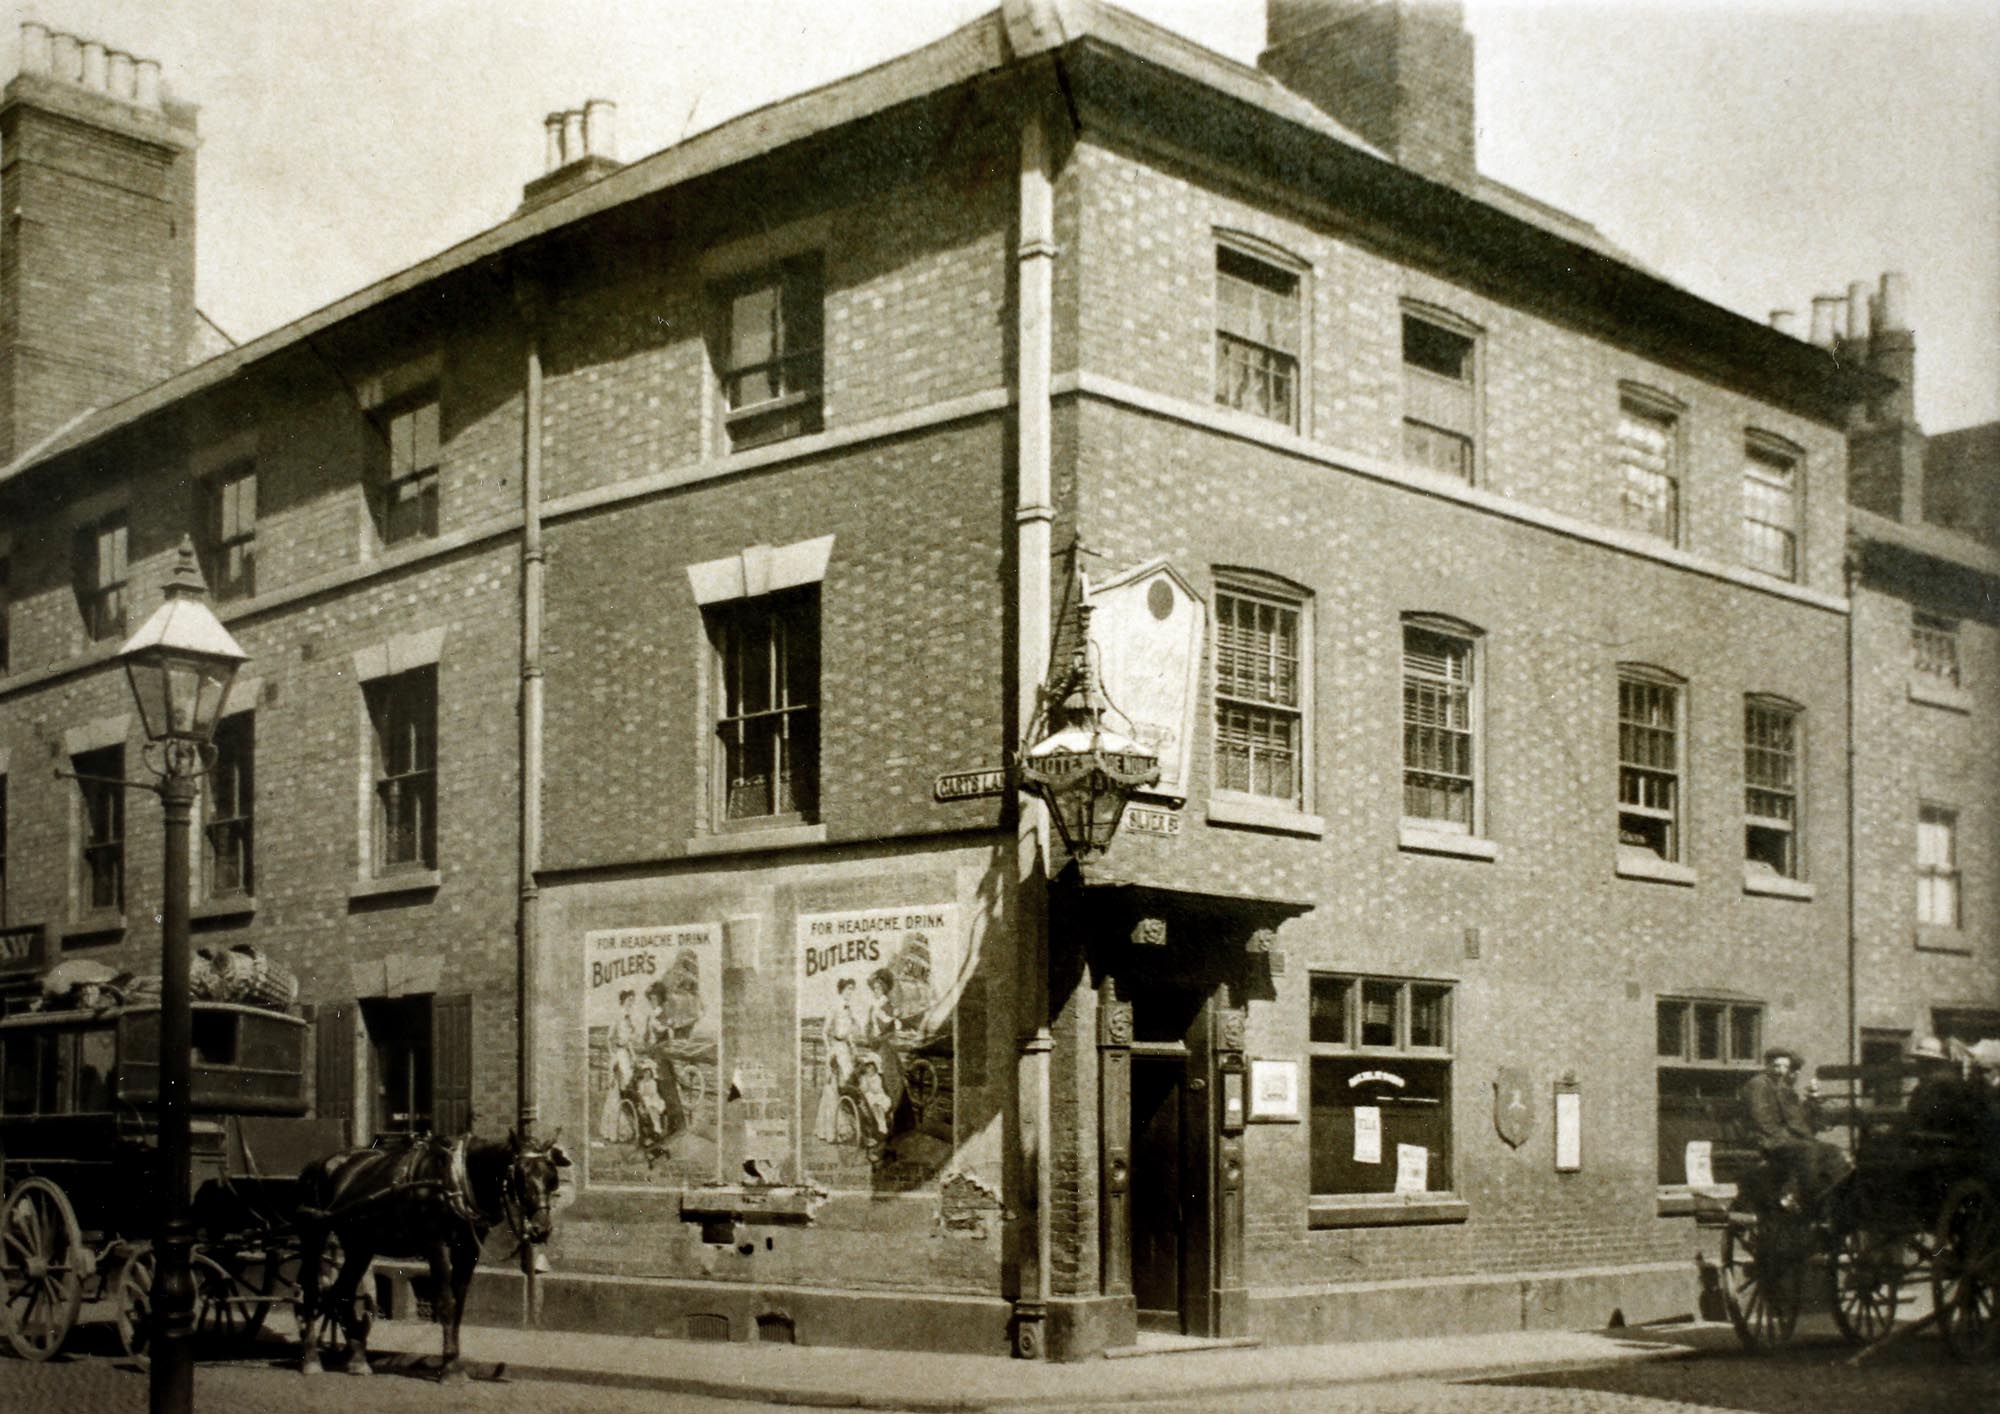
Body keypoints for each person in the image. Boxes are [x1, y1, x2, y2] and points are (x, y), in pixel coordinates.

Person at [1740, 1046, 1850, 1212]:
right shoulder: (1757, 1085)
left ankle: (1831, 1197)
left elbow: (1795, 1117)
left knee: (1832, 1151)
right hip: (1765, 1138)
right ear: (1767, 1065)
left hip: (1785, 1138)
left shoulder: (1783, 1087)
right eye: (1776, 1066)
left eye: (1785, 1067)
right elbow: (1762, 1120)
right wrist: (1791, 1138)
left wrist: (1813, 1105)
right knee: (1807, 1150)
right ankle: (1808, 1198)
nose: (1781, 1071)